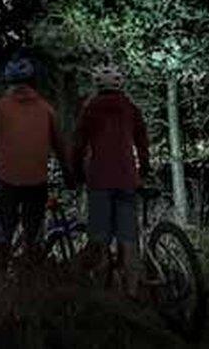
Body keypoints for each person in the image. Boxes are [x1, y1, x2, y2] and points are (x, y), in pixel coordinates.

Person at [0, 56, 68, 273]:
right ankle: (29, 278)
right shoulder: (47, 109)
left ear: (8, 82)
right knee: (33, 236)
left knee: (2, 235)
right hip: (36, 182)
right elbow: (60, 147)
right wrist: (69, 173)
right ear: (33, 82)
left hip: (6, 180)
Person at [73, 63, 151, 299]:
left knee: (99, 239)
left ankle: (102, 298)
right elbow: (143, 143)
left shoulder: (90, 109)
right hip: (127, 179)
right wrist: (143, 169)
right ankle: (132, 293)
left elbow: (78, 146)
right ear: (120, 84)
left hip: (99, 181)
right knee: (128, 239)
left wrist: (76, 173)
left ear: (97, 85)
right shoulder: (130, 108)